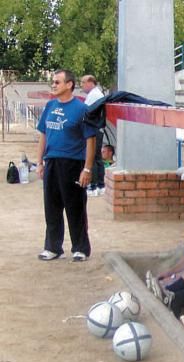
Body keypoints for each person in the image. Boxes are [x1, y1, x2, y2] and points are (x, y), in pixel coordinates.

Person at [36, 69, 97, 262]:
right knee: (52, 206)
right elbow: (43, 135)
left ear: (69, 84)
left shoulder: (81, 109)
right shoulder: (50, 106)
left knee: (75, 207)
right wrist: (39, 162)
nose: (53, 85)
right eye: (53, 82)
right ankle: (53, 247)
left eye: (57, 82)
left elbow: (90, 139)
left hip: (72, 163)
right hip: (52, 161)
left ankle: (80, 248)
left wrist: (87, 169)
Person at [80, 75, 105, 196]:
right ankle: (100, 185)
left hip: (93, 130)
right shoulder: (96, 94)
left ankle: (93, 186)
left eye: (83, 82)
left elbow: (86, 112)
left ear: (91, 82)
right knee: (98, 158)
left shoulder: (94, 95)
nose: (82, 85)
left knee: (93, 157)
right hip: (98, 129)